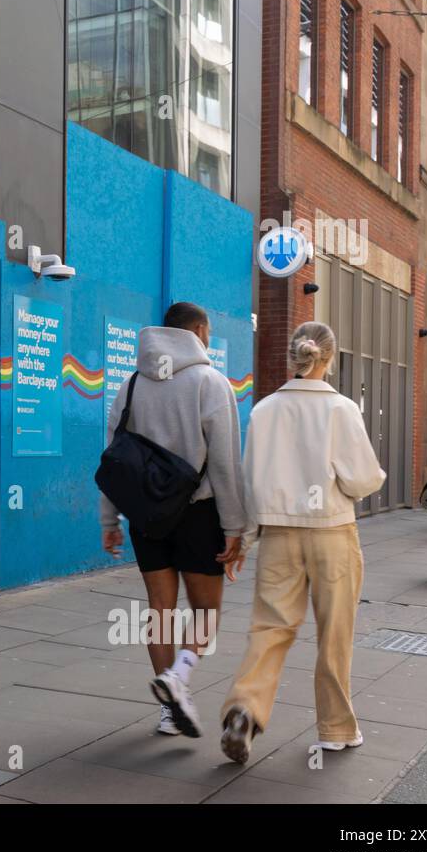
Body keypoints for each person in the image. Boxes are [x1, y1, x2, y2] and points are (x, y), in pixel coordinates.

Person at [219, 322, 384, 765]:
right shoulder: (342, 409)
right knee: (335, 634)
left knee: (269, 629)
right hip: (332, 532)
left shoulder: (265, 410)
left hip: (277, 535)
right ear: (330, 357)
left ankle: (245, 708)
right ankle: (335, 729)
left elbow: (250, 481)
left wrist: (245, 539)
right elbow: (363, 478)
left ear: (295, 356)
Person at [101, 302, 246, 738]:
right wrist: (237, 528)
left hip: (146, 516)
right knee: (206, 612)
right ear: (199, 331)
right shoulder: (210, 382)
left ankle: (168, 712)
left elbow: (114, 459)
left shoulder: (129, 386)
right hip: (198, 513)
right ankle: (178, 677)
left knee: (160, 610)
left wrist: (110, 518)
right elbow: (224, 463)